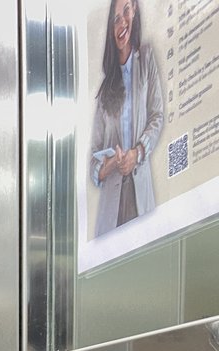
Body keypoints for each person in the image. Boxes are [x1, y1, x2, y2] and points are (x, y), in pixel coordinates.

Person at [90, 0, 163, 237]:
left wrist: (137, 153)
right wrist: (112, 163)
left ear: (135, 12)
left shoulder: (147, 58)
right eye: (115, 19)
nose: (122, 23)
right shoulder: (104, 91)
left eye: (126, 13)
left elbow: (157, 116)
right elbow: (93, 163)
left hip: (141, 195)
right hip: (111, 205)